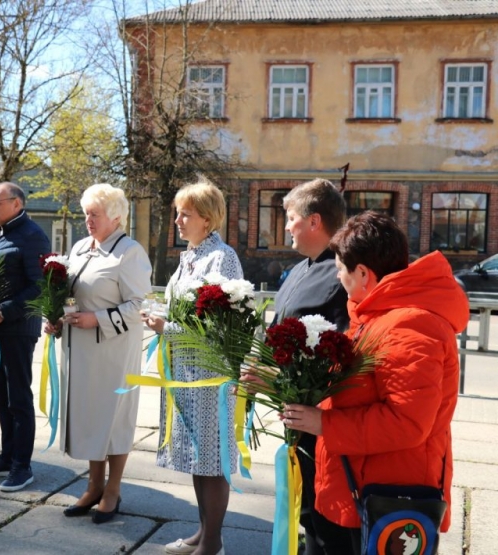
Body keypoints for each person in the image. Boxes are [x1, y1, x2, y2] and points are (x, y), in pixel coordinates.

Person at [283, 211, 469, 553]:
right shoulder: (379, 315)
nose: (338, 278)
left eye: (340, 270)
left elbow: (407, 421)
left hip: (388, 494)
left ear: (364, 273)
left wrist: (323, 423)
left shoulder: (410, 326)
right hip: (362, 484)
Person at [241, 178, 349, 554]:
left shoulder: (342, 273)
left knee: (324, 524)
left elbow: (341, 353)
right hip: (294, 417)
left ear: (315, 221)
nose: (286, 226)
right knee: (303, 514)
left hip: (323, 426)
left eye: (291, 218)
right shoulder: (301, 268)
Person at [145, 180, 243, 555]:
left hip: (207, 373)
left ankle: (213, 543)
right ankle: (203, 534)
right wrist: (162, 317)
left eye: (185, 213)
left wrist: (164, 327)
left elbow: (220, 324)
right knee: (196, 455)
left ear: (207, 217)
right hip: (184, 370)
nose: (177, 220)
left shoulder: (222, 257)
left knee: (213, 459)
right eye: (177, 213)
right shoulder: (191, 255)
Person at [45, 183, 151, 524]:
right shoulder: (79, 247)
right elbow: (68, 292)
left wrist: (99, 319)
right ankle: (93, 486)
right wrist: (55, 318)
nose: (87, 219)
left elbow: (140, 305)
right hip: (80, 347)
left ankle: (113, 489)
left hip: (113, 350)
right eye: (85, 213)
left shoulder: (129, 252)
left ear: (116, 217)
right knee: (90, 417)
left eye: (95, 214)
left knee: (114, 417)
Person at [0, 182, 50, 492]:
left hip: (17, 328)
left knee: (18, 396)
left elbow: (40, 286)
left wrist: (3, 311)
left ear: (16, 204)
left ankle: (22, 465)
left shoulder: (32, 236)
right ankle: (7, 455)